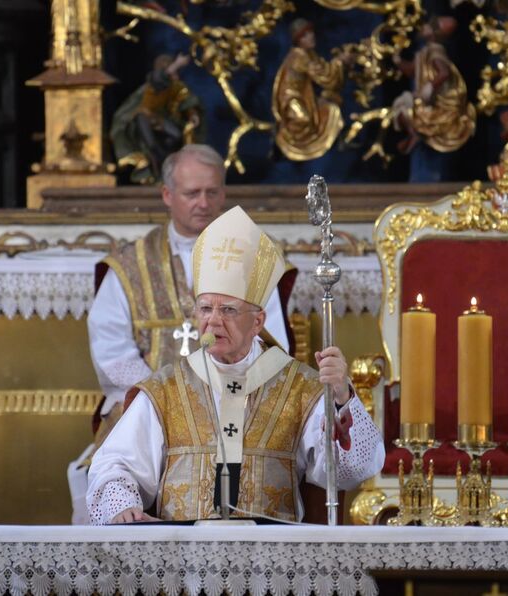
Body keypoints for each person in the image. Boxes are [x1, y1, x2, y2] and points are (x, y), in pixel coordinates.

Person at [86, 206, 384, 524]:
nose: (213, 321)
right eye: (204, 309)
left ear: (257, 322)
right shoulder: (166, 389)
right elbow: (114, 465)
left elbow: (352, 471)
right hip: (182, 561)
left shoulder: (301, 387)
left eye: (227, 310)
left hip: (273, 561)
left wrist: (340, 400)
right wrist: (123, 507)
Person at [68, 145, 292, 523]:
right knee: (112, 472)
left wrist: (222, 393)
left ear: (223, 194)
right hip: (146, 404)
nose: (203, 203)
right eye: (192, 193)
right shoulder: (128, 266)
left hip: (237, 401)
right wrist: (166, 399)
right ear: (167, 195)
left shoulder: (252, 261)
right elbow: (111, 351)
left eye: (213, 192)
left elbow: (273, 344)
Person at [110, 53, 204, 184]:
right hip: (143, 118)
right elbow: (158, 80)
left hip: (162, 121)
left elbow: (186, 99)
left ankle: (167, 170)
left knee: (176, 136)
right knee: (152, 146)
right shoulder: (153, 84)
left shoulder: (176, 86)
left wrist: (192, 114)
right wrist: (177, 64)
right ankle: (156, 172)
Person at [392, 16, 476, 154]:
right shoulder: (425, 51)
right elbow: (411, 70)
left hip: (439, 102)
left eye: (428, 26)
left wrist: (429, 87)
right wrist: (397, 60)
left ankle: (414, 134)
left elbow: (444, 73)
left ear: (433, 32)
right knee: (401, 106)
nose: (423, 27)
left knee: (404, 105)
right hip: (427, 98)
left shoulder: (435, 51)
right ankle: (413, 133)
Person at [272, 19, 348, 161]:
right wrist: (339, 62)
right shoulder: (298, 56)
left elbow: (325, 74)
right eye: (305, 35)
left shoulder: (309, 54)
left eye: (311, 32)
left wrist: (339, 64)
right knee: (303, 119)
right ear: (299, 40)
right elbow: (324, 76)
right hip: (290, 100)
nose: (311, 36)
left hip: (306, 99)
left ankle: (333, 147)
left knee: (332, 110)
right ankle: (284, 141)